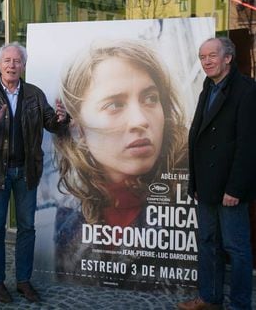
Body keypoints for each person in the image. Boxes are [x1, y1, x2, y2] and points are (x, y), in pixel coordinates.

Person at [52, 39, 189, 288]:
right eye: (114, 105)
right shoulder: (69, 212)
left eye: (150, 98)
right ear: (79, 128)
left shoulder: (189, 204)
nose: (140, 120)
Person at [0, 41, 69, 303]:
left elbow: (52, 124)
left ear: (23, 65)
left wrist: (61, 119)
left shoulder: (34, 94)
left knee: (27, 228)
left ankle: (24, 280)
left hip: (27, 171)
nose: (12, 65)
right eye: (7, 61)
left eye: (17, 61)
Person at [177, 37, 256, 310]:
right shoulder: (207, 87)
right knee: (208, 244)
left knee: (237, 249)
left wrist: (235, 189)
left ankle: (240, 305)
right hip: (207, 187)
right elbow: (198, 138)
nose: (206, 61)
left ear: (228, 58)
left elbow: (249, 145)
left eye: (212, 55)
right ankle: (209, 299)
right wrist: (196, 183)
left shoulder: (246, 90)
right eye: (202, 57)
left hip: (230, 189)